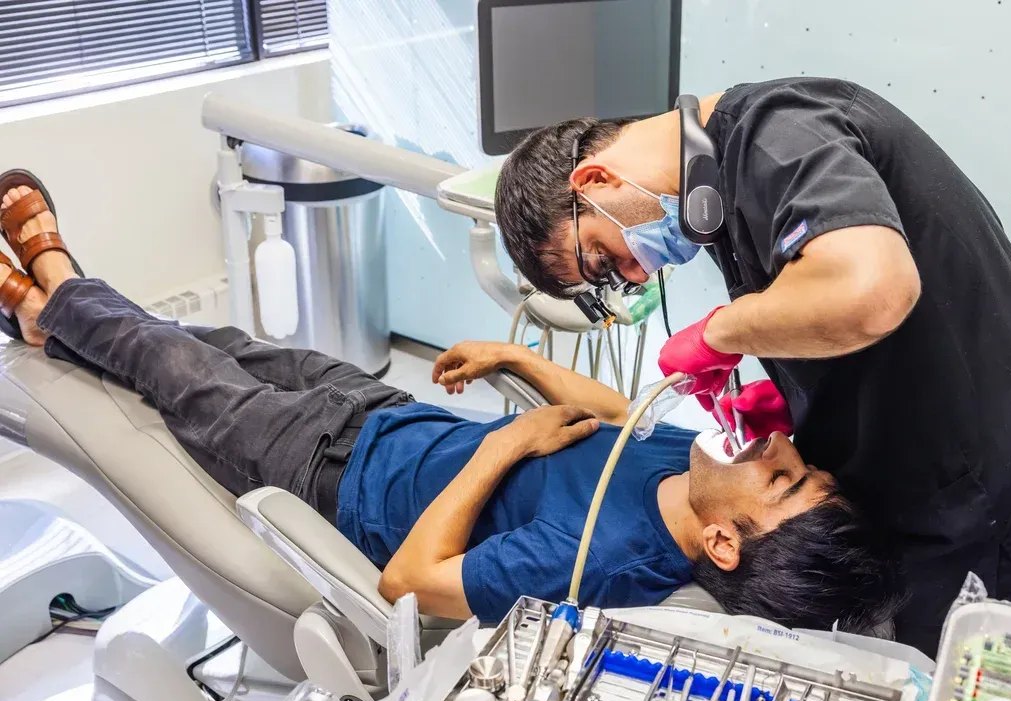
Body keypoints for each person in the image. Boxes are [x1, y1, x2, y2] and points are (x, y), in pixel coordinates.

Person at [0, 175, 902, 631]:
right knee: (214, 343)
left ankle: (50, 276)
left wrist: (504, 448)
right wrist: (515, 354)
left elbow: (409, 584)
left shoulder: (600, 562)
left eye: (781, 478)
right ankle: (51, 317)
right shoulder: (689, 474)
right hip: (379, 413)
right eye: (797, 461)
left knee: (163, 362)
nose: (771, 445)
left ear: (722, 541)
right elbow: (611, 414)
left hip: (332, 474)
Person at [493, 76, 1011, 655]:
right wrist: (803, 393)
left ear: (594, 179)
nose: (638, 275)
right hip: (923, 443)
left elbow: (873, 291)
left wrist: (719, 333)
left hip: (983, 483)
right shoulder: (720, 188)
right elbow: (821, 300)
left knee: (957, 667)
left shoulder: (782, 134)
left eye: (602, 259)